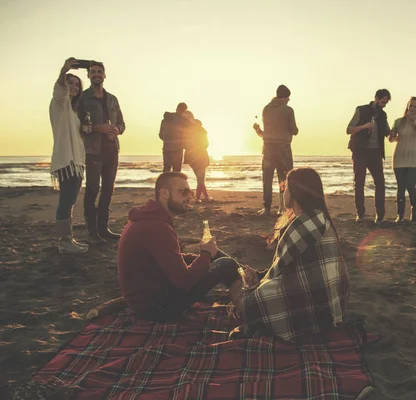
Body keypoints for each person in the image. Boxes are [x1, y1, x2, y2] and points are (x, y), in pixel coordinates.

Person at [230, 167, 349, 342]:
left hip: (316, 305)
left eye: (284, 186)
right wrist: (260, 275)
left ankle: (268, 325)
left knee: (247, 300)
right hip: (334, 303)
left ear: (294, 191)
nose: (282, 190)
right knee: (257, 289)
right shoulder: (319, 217)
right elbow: (291, 265)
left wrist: (254, 285)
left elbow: (277, 270)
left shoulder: (303, 224)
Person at [117, 172, 245, 322]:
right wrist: (205, 255)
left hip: (146, 299)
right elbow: (185, 281)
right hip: (155, 308)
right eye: (183, 191)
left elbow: (163, 261)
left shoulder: (149, 219)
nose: (189, 196)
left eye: (190, 191)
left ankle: (249, 279)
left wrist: (203, 256)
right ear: (164, 193)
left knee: (215, 255)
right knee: (225, 264)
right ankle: (249, 302)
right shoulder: (157, 227)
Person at [79, 61, 125, 243]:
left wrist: (117, 130)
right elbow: (80, 125)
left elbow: (122, 123)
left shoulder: (112, 99)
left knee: (108, 190)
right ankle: (92, 232)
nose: (96, 74)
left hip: (112, 150)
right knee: (92, 189)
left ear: (105, 75)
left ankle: (103, 228)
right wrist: (99, 128)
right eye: (93, 72)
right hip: (93, 150)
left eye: (99, 71)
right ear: (89, 76)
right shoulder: (83, 98)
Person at [49, 57, 88, 254]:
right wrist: (64, 70)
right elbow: (59, 90)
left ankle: (68, 239)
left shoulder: (73, 112)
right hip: (67, 161)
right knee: (66, 201)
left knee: (70, 201)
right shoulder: (59, 103)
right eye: (70, 83)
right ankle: (64, 243)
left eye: (77, 84)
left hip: (77, 162)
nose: (73, 86)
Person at [252, 84, 299, 216]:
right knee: (284, 179)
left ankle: (267, 208)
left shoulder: (266, 109)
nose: (288, 100)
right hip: (283, 147)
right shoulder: (288, 110)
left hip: (268, 148)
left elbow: (265, 134)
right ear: (285, 98)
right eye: (288, 98)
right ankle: (284, 208)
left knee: (267, 179)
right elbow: (294, 130)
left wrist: (257, 130)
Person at [346, 89, 391, 223]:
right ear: (376, 98)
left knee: (380, 183)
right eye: (383, 101)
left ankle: (380, 215)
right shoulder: (361, 110)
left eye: (386, 103)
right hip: (360, 151)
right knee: (359, 183)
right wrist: (364, 126)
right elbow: (348, 129)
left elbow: (388, 133)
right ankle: (360, 214)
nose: (384, 105)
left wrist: (393, 134)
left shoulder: (383, 115)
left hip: (376, 152)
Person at [389, 97, 416, 223]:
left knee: (411, 186)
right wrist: (391, 136)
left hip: (413, 160)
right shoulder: (398, 121)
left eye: (415, 107)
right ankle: (400, 215)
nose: (412, 108)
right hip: (399, 158)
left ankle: (414, 212)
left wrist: (415, 121)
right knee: (400, 187)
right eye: (410, 106)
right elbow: (391, 139)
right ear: (407, 107)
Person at [181, 110, 212, 203]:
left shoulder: (198, 129)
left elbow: (206, 143)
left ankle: (201, 197)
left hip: (199, 155)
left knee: (200, 178)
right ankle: (203, 197)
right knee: (200, 178)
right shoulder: (187, 129)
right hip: (193, 156)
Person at [159, 102, 188, 173]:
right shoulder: (182, 121)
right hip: (178, 149)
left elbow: (160, 135)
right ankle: (175, 184)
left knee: (166, 169)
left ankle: (165, 184)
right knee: (177, 171)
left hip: (167, 149)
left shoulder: (165, 120)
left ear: (177, 108)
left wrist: (167, 140)